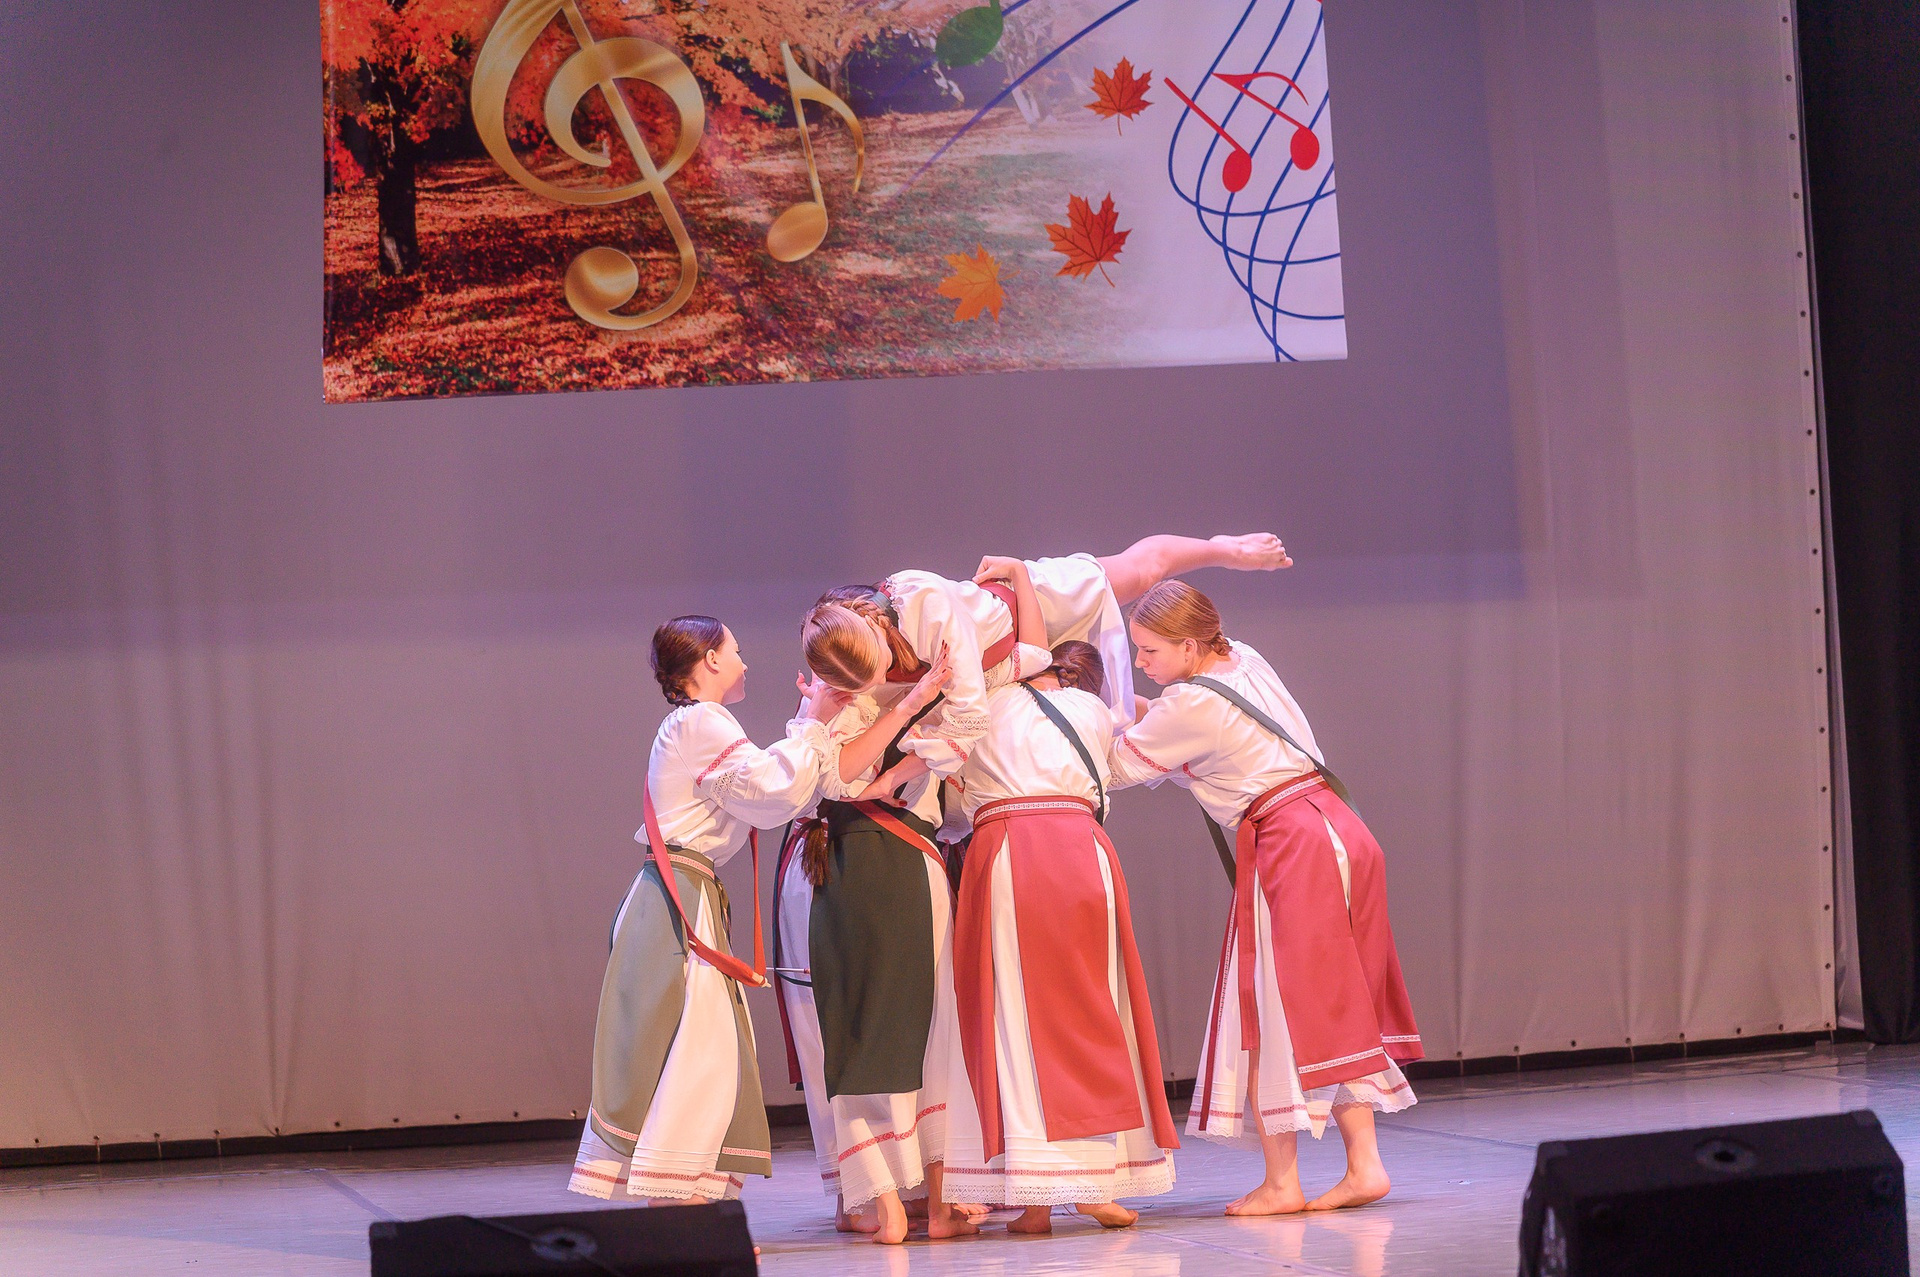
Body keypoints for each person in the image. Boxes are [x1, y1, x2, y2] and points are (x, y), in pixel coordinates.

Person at [1106, 582, 1422, 1216]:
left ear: (1189, 645)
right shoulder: (1243, 657)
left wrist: (1079, 720)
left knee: (1268, 1007)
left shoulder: (1189, 703)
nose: (1141, 663)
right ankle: (1364, 1164)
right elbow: (1205, 741)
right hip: (1340, 828)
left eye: (1149, 651)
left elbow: (1117, 767)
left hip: (1292, 842)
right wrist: (1144, 712)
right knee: (1333, 1002)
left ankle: (1283, 1182)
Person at [567, 616, 845, 1204]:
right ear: (711, 659)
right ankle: (681, 1205)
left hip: (682, 895)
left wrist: (812, 724)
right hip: (678, 899)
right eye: (736, 650)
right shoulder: (702, 721)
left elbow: (772, 794)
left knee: (701, 1047)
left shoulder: (694, 725)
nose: (744, 661)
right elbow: (771, 789)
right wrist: (813, 723)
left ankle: (689, 1203)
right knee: (699, 1049)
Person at [934, 640, 1181, 1233]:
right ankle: (1094, 1183)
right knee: (1095, 1009)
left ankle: (1039, 1199)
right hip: (1083, 851)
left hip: (1011, 849)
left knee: (1016, 1017)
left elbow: (954, 808)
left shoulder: (982, 703)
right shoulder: (1093, 714)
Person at [800, 535, 1294, 783]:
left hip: (1030, 603)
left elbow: (968, 720)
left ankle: (1224, 548)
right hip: (1012, 658)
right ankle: (1169, 719)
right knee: (1106, 709)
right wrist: (815, 716)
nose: (881, 682)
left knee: (1141, 572)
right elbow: (842, 761)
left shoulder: (927, 605)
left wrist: (892, 776)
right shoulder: (842, 654)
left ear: (876, 633)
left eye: (881, 669)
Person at [770, 649, 956, 1235]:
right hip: (848, 867)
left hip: (870, 865)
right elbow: (835, 781)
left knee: (875, 1028)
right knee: (860, 1027)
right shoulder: (842, 707)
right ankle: (878, 1196)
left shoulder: (859, 707)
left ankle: (886, 1196)